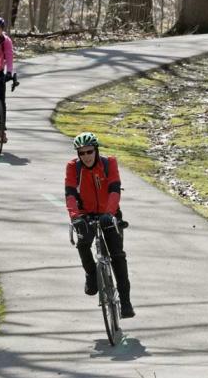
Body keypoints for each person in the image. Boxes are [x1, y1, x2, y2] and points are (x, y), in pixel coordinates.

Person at [65, 132, 135, 318]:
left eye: (89, 151)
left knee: (117, 257)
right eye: (82, 153)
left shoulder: (108, 163)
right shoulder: (73, 168)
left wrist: (109, 213)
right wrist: (75, 217)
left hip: (109, 214)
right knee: (82, 244)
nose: (86, 156)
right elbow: (70, 194)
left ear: (96, 150)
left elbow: (114, 190)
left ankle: (126, 302)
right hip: (85, 215)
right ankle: (91, 274)